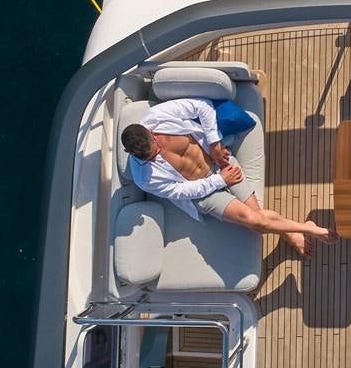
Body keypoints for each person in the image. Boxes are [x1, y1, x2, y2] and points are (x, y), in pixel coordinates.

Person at [121, 98, 337, 256]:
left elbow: (202, 106)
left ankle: (289, 233)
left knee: (258, 220)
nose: (156, 156)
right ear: (135, 156)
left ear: (150, 133)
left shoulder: (159, 116)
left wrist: (214, 145)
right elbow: (181, 192)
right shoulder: (144, 176)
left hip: (220, 162)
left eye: (155, 149)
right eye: (149, 158)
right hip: (203, 192)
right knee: (255, 220)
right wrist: (220, 181)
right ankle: (308, 228)